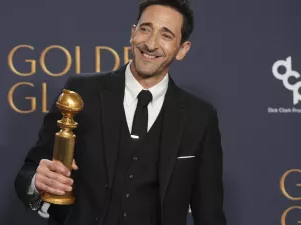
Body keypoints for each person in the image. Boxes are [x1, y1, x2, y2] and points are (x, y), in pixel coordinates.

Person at [15, 0, 227, 224]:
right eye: (145, 29)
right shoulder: (80, 93)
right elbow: (28, 171)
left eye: (166, 35)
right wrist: (37, 181)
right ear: (132, 33)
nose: (151, 44)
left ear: (182, 49)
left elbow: (209, 212)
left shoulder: (200, 117)